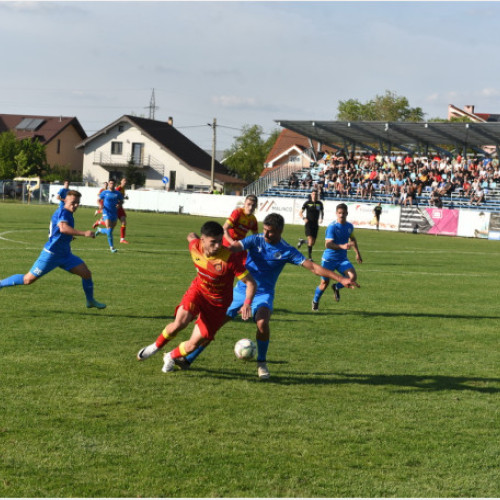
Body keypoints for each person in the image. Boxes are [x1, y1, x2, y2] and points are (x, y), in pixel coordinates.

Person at [183, 213, 359, 380]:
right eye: (265, 229)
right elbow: (232, 248)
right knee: (212, 326)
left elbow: (313, 268)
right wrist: (204, 245)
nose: (266, 233)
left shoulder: (287, 250)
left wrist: (341, 278)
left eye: (270, 231)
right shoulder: (255, 239)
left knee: (262, 323)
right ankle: (189, 357)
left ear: (280, 231)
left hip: (264, 294)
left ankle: (261, 363)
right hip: (240, 291)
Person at [136, 221, 256, 373]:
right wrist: (193, 236)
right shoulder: (194, 246)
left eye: (220, 241)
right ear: (203, 240)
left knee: (194, 344)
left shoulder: (229, 259)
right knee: (179, 323)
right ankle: (154, 347)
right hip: (198, 292)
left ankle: (170, 356)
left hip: (218, 304)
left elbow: (251, 283)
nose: (218, 246)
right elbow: (191, 236)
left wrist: (247, 303)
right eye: (213, 242)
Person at [0, 190, 106, 309]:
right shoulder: (64, 212)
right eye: (73, 202)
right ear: (65, 200)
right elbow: (63, 228)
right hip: (51, 254)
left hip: (65, 255)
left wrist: (69, 237)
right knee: (28, 280)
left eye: (77, 203)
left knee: (86, 274)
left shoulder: (67, 212)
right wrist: (84, 233)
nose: (75, 205)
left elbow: (60, 230)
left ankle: (90, 301)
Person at [312, 203, 362, 311]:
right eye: (339, 213)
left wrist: (357, 253)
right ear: (336, 213)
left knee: (352, 277)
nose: (341, 215)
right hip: (329, 259)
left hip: (342, 259)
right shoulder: (332, 227)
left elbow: (352, 240)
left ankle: (336, 287)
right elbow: (328, 244)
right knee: (324, 283)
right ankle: (315, 301)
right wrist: (342, 246)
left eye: (343, 213)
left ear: (347, 213)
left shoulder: (349, 226)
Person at [95, 179, 124, 253]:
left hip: (114, 213)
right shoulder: (105, 192)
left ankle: (100, 230)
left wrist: (119, 205)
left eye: (113, 183)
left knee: (109, 231)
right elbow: (98, 200)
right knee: (109, 229)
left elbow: (121, 201)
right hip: (106, 212)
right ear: (108, 184)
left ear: (115, 184)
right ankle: (111, 247)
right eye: (110, 183)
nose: (111, 184)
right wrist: (100, 205)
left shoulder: (117, 193)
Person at [297, 190, 324, 260]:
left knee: (313, 242)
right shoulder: (307, 203)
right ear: (311, 195)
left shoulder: (319, 204)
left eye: (316, 194)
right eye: (313, 194)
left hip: (315, 224)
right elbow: (300, 212)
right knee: (310, 239)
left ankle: (303, 241)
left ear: (317, 195)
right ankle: (309, 257)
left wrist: (321, 218)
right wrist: (304, 218)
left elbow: (322, 212)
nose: (314, 195)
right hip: (309, 224)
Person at [115, 177, 129, 244]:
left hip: (120, 208)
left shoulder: (123, 189)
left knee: (124, 222)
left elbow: (120, 198)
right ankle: (99, 223)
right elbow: (114, 197)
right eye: (124, 180)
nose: (125, 182)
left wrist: (124, 197)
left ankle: (122, 239)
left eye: (126, 181)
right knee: (110, 225)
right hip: (116, 208)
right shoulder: (118, 188)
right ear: (121, 181)